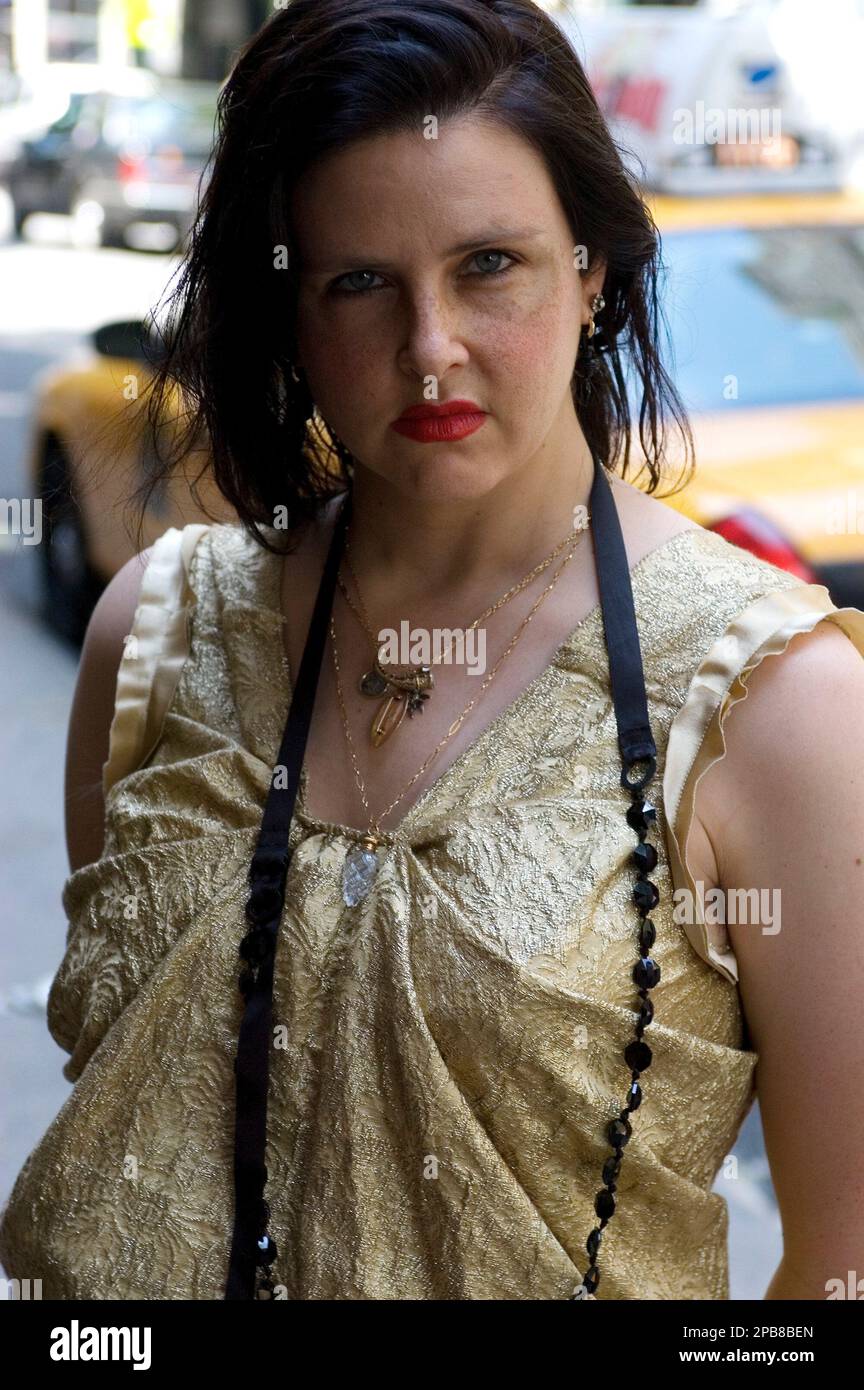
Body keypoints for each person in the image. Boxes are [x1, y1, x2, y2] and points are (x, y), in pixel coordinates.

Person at [2, 0, 863, 1300]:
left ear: (593, 272)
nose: (430, 348)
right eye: (359, 282)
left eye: (489, 265)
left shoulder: (777, 703)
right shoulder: (155, 638)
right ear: (289, 315)